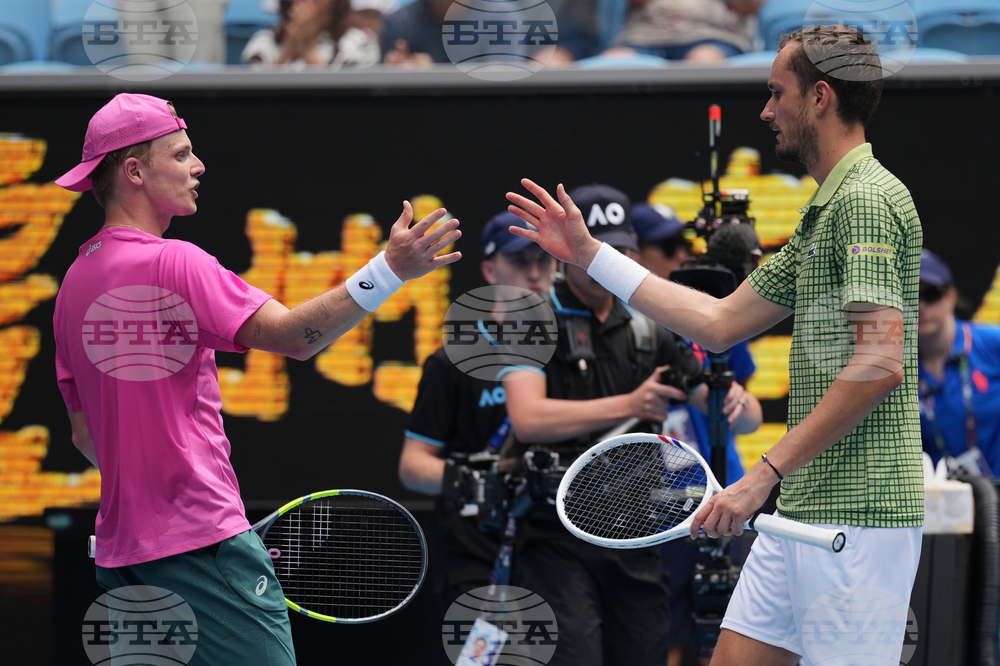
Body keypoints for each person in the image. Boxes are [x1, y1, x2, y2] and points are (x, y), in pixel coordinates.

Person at [507, 25, 923, 666]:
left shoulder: (865, 201)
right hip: (806, 507)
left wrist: (762, 475)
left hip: (856, 517)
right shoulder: (826, 209)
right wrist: (591, 255)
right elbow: (718, 320)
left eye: (775, 93)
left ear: (819, 98)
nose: (765, 111)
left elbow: (878, 365)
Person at [53, 93, 460, 665]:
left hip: (124, 557)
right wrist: (388, 271)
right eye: (182, 153)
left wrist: (150, 485)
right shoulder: (176, 263)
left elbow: (84, 437)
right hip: (201, 542)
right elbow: (294, 337)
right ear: (135, 171)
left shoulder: (73, 284)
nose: (198, 167)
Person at [499, 184, 761, 666]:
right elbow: (528, 418)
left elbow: (746, 421)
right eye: (596, 247)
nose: (605, 260)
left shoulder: (650, 326)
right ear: (565, 248)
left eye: (619, 250)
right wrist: (631, 402)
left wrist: (734, 400)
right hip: (554, 537)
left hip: (638, 533)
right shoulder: (530, 316)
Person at [398, 211, 556, 608]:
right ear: (489, 268)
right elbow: (413, 466)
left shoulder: (575, 351)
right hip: (477, 556)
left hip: (560, 550)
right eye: (520, 261)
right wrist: (479, 483)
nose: (535, 273)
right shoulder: (451, 362)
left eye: (544, 260)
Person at [632, 201, 759, 666]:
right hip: (652, 512)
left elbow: (748, 415)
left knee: (724, 636)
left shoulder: (711, 311)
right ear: (630, 255)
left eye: (684, 244)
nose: (679, 256)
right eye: (666, 247)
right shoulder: (621, 325)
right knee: (663, 640)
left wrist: (736, 403)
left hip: (718, 499)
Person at [918, 249, 1000, 477]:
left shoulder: (992, 343)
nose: (921, 305)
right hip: (944, 504)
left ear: (951, 297)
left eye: (931, 294)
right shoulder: (895, 372)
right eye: (909, 296)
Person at [605, 0, 765, 63]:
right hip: (643, 38)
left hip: (713, 36)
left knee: (703, 60)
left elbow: (751, 6)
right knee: (614, 63)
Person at [242, 0, 380, 68]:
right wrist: (289, 48)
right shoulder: (263, 42)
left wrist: (308, 48)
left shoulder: (361, 43)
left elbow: (344, 100)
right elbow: (257, 98)